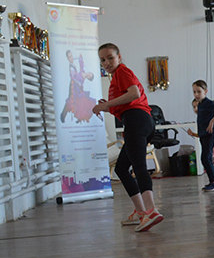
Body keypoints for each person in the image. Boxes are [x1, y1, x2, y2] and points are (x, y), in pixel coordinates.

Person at [92, 43, 163, 232]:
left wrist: (105, 105)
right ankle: (141, 212)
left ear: (119, 57)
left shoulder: (122, 72)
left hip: (136, 120)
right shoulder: (117, 77)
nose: (107, 62)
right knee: (122, 168)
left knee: (139, 166)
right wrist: (107, 106)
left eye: (110, 57)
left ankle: (151, 211)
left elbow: (134, 94)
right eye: (103, 60)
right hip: (139, 120)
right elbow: (125, 102)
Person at [192, 80, 214, 193]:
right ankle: (213, 181)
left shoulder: (208, 103)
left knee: (206, 157)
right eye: (194, 92)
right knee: (205, 158)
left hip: (210, 133)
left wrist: (212, 121)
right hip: (204, 134)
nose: (196, 94)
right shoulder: (200, 104)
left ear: (205, 91)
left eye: (199, 92)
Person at [60, 50, 96, 123]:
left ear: (88, 78)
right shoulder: (82, 71)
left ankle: (78, 117)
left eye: (90, 76)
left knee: (79, 102)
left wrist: (78, 83)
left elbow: (76, 80)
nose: (89, 74)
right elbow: (81, 63)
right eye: (90, 73)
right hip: (73, 86)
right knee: (71, 101)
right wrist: (80, 56)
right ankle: (63, 115)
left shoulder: (83, 77)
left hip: (77, 89)